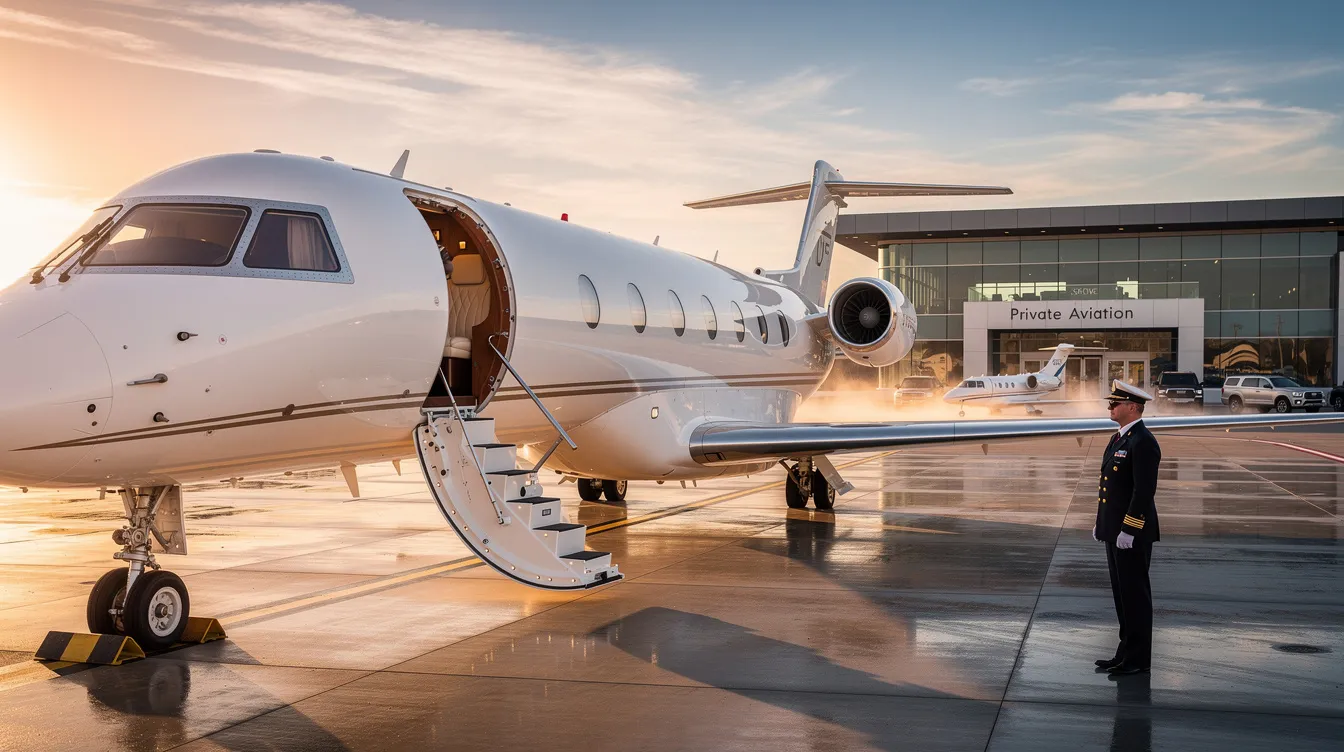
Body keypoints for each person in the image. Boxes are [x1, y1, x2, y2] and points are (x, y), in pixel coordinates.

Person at [1093, 379, 1161, 675]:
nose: (1110, 407)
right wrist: (1102, 523)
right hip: (1115, 531)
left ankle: (1137, 660)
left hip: (1131, 534)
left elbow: (1143, 492)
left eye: (1115, 403)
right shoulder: (1119, 438)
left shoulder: (1143, 441)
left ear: (1132, 407)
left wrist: (1129, 530)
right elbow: (1110, 487)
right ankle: (1124, 653)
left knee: (1135, 597)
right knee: (1122, 596)